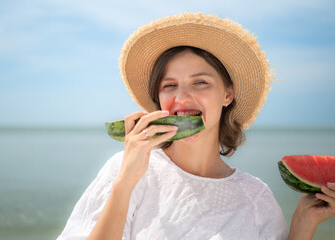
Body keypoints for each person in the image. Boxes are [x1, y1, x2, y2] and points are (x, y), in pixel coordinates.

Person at [57, 13, 335, 240]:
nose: (182, 98)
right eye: (169, 86)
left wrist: (302, 223)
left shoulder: (256, 198)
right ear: (159, 98)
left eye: (200, 82)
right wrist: (125, 182)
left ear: (228, 94)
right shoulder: (124, 170)